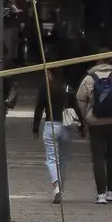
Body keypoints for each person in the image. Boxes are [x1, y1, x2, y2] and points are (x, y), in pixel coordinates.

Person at [75, 56, 112, 202]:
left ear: (97, 62)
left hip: (95, 123)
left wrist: (86, 117)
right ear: (111, 61)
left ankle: (101, 194)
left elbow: (80, 99)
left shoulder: (88, 79)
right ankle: (111, 191)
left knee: (98, 158)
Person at [32, 65, 79, 204]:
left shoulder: (45, 88)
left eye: (47, 72)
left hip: (51, 125)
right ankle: (61, 187)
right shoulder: (67, 88)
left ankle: (57, 186)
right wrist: (82, 124)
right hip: (66, 127)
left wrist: (35, 127)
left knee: (52, 159)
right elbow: (75, 106)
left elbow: (39, 108)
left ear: (51, 73)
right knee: (64, 159)